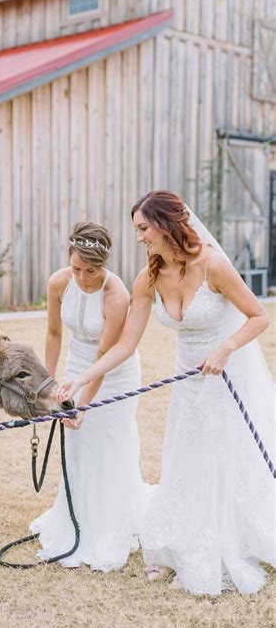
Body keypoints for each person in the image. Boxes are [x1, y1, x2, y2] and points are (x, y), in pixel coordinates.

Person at [57, 192, 275, 596]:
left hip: (223, 377)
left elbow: (259, 316)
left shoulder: (212, 264)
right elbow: (124, 345)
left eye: (143, 228)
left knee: (217, 460)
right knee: (185, 458)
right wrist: (83, 378)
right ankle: (180, 544)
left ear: (165, 224)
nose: (138, 237)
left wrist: (225, 348)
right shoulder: (149, 278)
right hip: (185, 381)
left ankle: (216, 543)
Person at [30, 221, 148, 572]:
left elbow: (104, 357)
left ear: (105, 263)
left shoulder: (117, 296)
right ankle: (76, 515)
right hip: (77, 365)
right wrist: (49, 385)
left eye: (91, 270)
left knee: (107, 441)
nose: (82, 277)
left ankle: (110, 522)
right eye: (77, 268)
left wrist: (83, 404)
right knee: (79, 445)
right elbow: (52, 334)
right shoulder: (59, 282)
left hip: (112, 374)